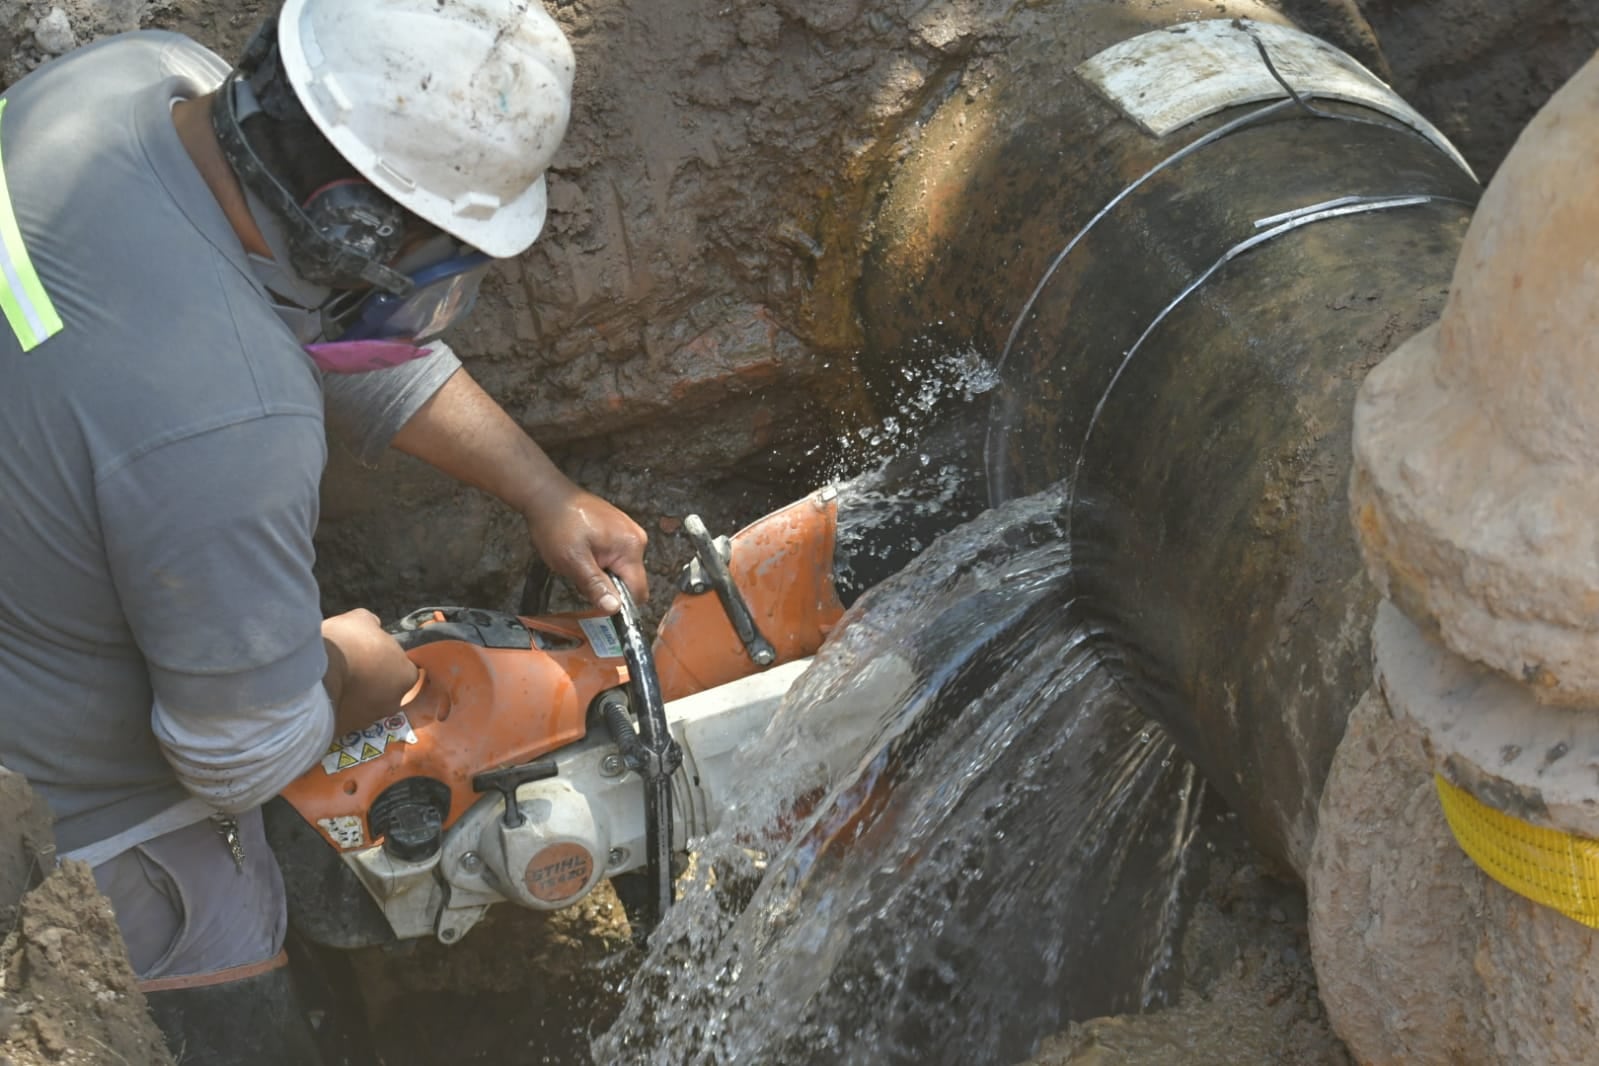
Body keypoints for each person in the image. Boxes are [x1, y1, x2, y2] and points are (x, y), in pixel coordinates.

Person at [0, 0, 647, 1060]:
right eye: (442, 250)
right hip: (70, 807)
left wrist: (543, 491)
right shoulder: (228, 419)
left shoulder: (135, 82)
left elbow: (304, 320)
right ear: (359, 228)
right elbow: (237, 756)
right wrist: (354, 666)